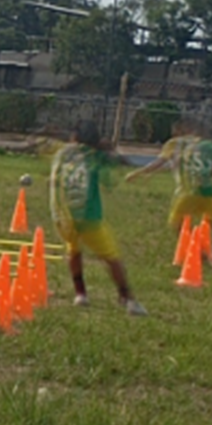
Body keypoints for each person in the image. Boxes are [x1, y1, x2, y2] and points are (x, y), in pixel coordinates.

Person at [49, 120, 147, 316]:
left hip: (62, 216)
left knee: (73, 250)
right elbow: (111, 177)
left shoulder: (62, 153)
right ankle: (127, 298)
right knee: (112, 257)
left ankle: (80, 294)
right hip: (88, 217)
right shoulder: (95, 156)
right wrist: (110, 152)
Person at [124, 120, 212, 246]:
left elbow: (159, 163)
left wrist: (137, 173)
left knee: (175, 223)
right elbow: (182, 164)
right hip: (206, 190)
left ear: (176, 131)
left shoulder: (173, 144)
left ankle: (198, 249)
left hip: (189, 191)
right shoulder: (198, 143)